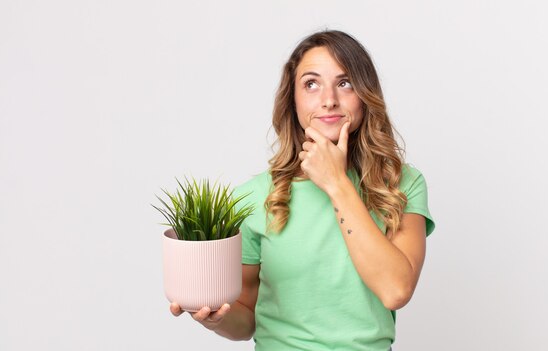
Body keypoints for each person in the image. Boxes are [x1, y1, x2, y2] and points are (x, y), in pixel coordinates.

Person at [170, 29, 436, 351]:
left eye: (345, 82)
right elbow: (246, 317)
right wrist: (216, 318)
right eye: (311, 84)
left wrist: (336, 182)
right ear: (292, 99)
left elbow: (396, 290)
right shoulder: (255, 197)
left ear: (365, 95)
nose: (329, 100)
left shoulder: (403, 185)